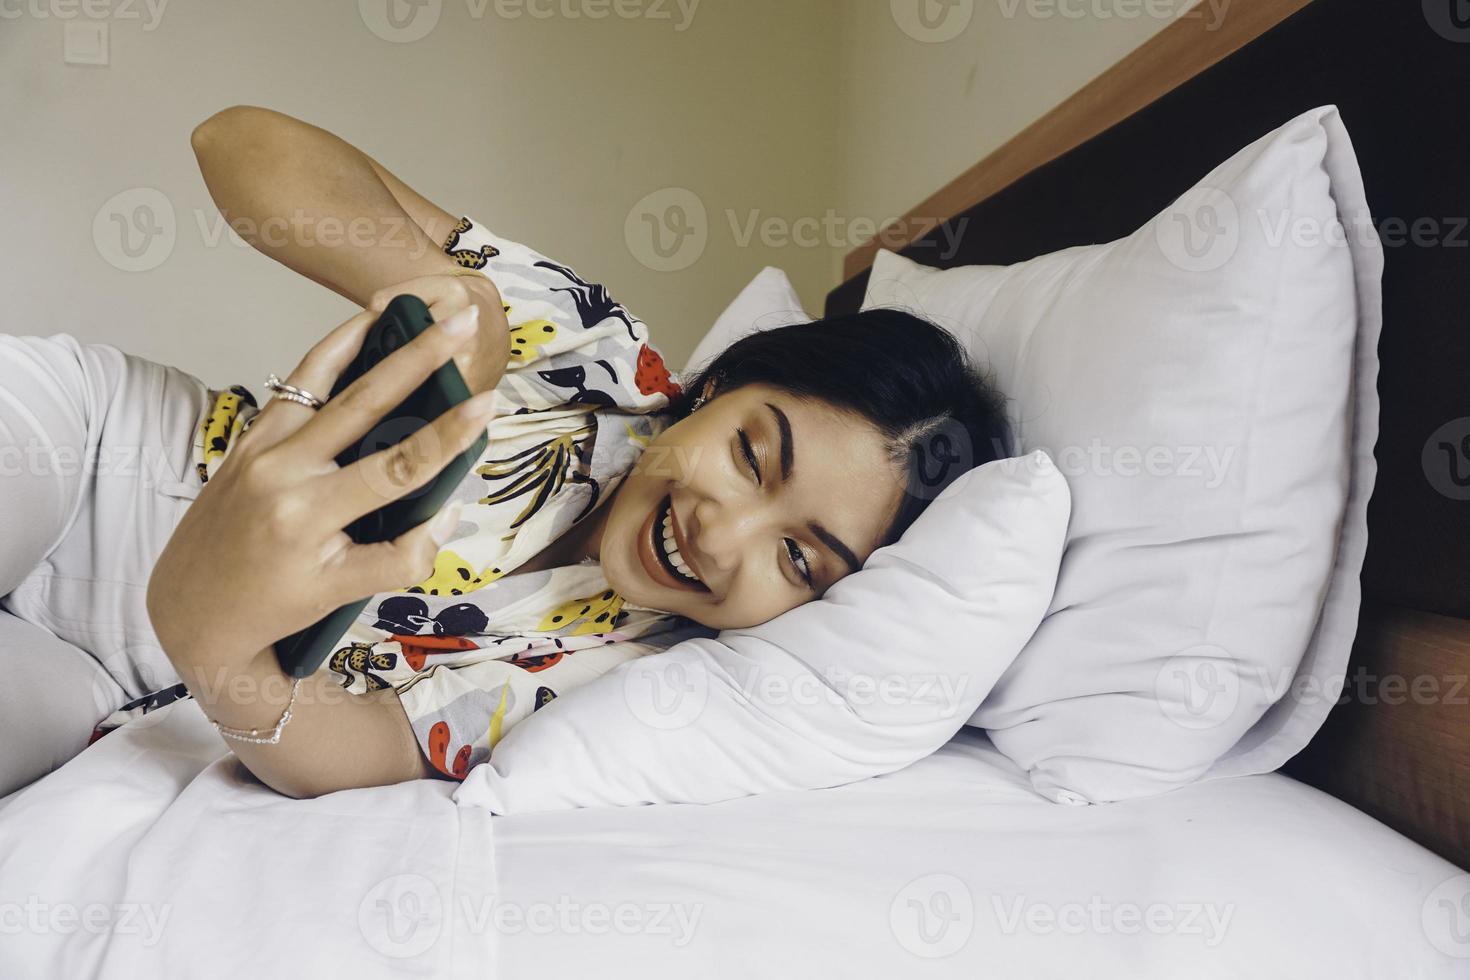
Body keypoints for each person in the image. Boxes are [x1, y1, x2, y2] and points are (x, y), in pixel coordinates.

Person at [0, 107, 1010, 801]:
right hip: (103, 452)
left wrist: (220, 649)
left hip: (122, 678)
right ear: (712, 391)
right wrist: (447, 292)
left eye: (800, 559)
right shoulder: (597, 356)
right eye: (751, 454)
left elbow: (364, 746)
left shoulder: (630, 680)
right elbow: (240, 144)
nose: (724, 531)